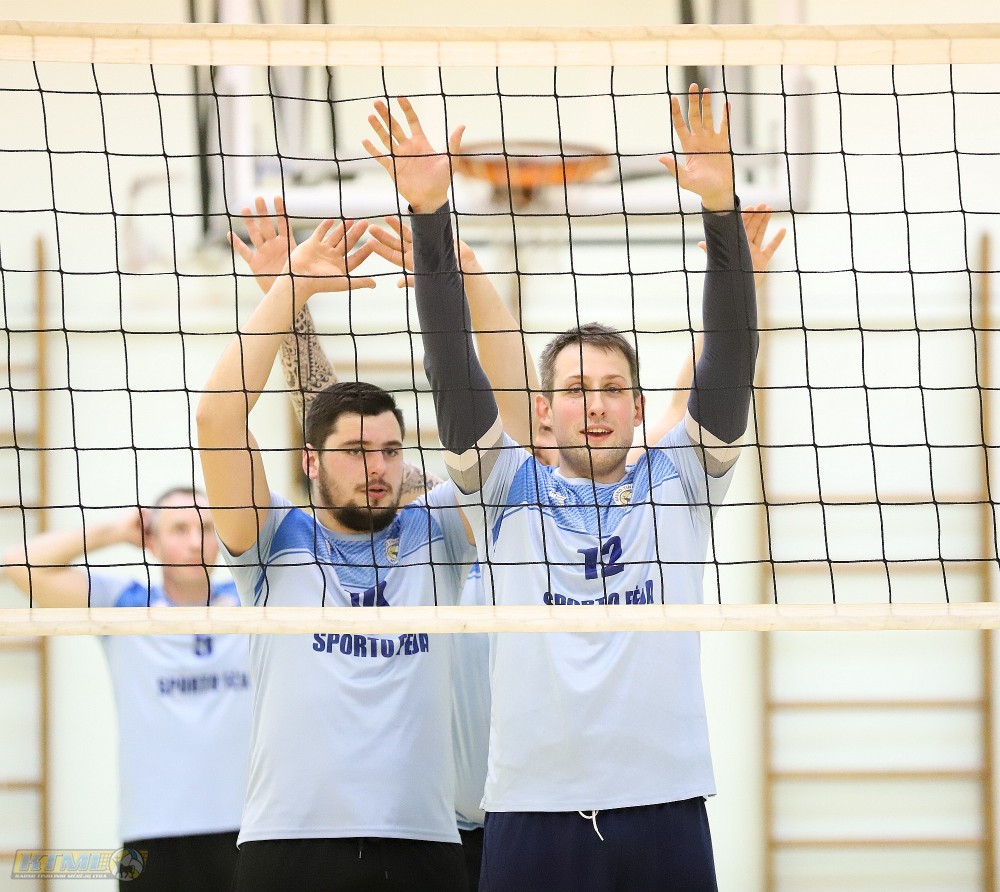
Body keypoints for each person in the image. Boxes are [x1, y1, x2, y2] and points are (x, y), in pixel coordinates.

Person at [365, 84, 757, 891]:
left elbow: (729, 361)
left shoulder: (682, 479)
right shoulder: (503, 487)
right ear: (543, 409)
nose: (596, 405)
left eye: (613, 389)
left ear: (640, 407)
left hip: (664, 803)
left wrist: (721, 209)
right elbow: (452, 369)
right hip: (531, 810)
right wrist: (430, 215)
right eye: (576, 389)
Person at [199, 210, 485, 891]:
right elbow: (216, 417)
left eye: (389, 450)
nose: (376, 467)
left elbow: (491, 433)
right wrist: (289, 290)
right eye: (355, 451)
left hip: (422, 844)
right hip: (288, 846)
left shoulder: (439, 531)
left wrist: (451, 275)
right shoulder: (271, 540)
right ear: (309, 460)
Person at [0, 488, 250, 892]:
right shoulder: (125, 604)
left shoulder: (254, 603)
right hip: (153, 834)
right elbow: (18, 565)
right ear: (151, 540)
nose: (195, 542)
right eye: (179, 529)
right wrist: (115, 530)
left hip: (247, 829)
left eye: (206, 528)